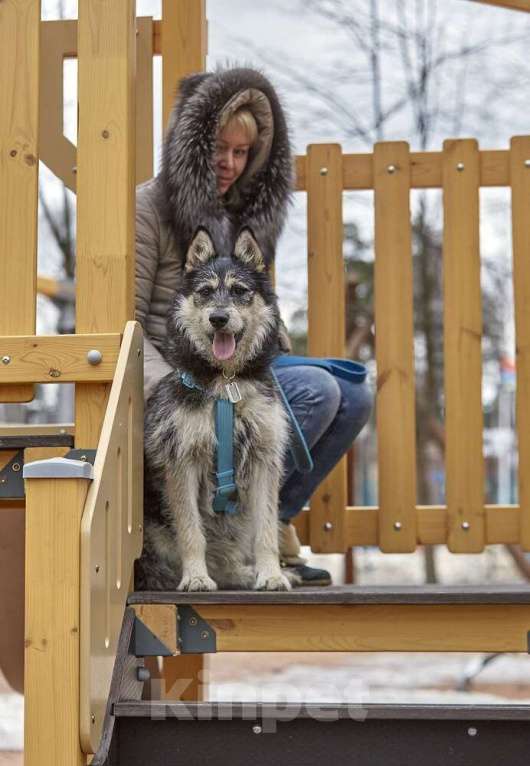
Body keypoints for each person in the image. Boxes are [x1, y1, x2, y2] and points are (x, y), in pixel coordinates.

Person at [135, 67, 372, 586]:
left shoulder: (247, 214)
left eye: (243, 152)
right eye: (220, 147)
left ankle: (268, 527)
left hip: (241, 369)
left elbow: (259, 306)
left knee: (350, 394)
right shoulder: (149, 207)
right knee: (314, 392)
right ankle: (230, 541)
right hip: (177, 378)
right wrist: (164, 387)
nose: (230, 163)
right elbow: (125, 319)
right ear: (191, 146)